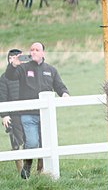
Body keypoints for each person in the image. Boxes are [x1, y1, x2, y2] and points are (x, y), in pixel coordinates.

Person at [5, 42, 70, 179]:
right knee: (32, 143)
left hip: (46, 115)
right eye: (31, 50)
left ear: (43, 53)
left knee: (45, 143)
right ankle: (27, 166)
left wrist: (64, 94)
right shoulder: (23, 68)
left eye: (37, 50)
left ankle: (41, 172)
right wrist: (13, 65)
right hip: (28, 114)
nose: (33, 52)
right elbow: (10, 76)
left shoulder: (51, 70)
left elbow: (60, 86)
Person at [0, 49, 26, 174]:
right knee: (17, 143)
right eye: (11, 58)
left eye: (17, 57)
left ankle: (40, 169)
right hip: (14, 116)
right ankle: (22, 172)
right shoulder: (4, 78)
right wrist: (4, 115)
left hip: (29, 113)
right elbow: (2, 97)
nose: (14, 60)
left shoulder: (27, 73)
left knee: (34, 140)